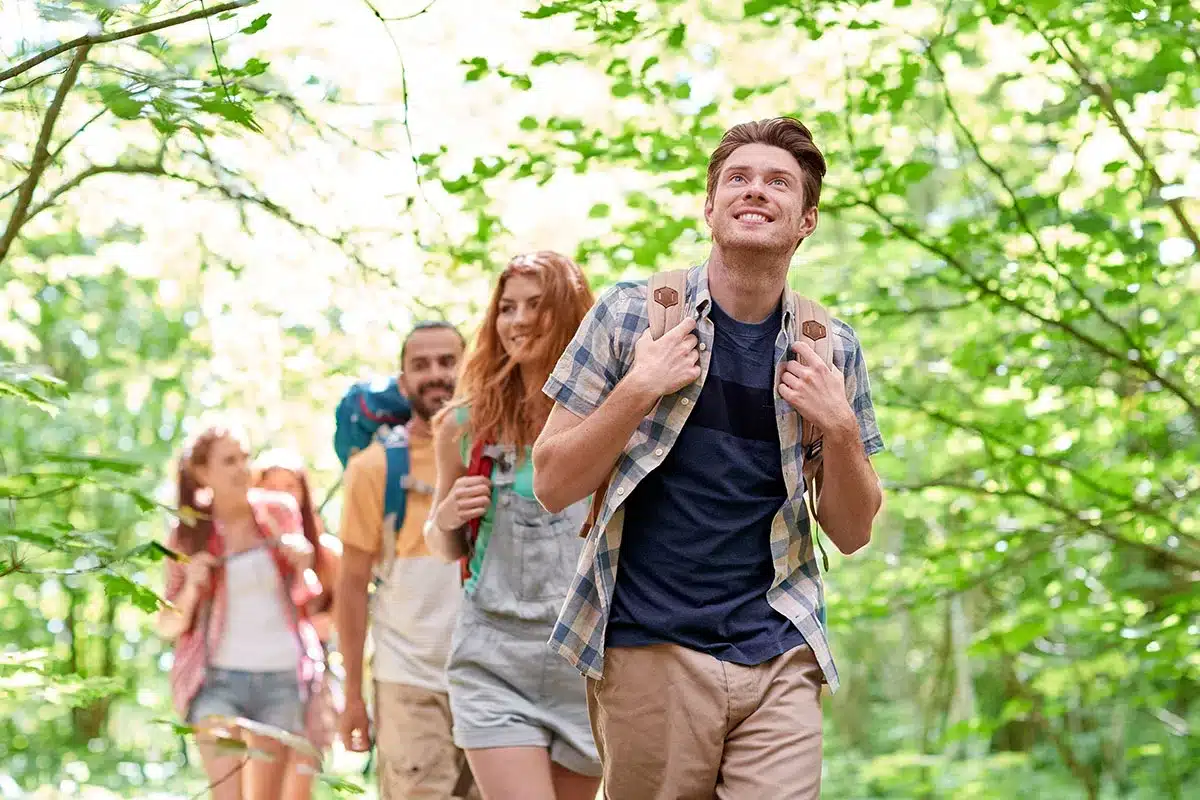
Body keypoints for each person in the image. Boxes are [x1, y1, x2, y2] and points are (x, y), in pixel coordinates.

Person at [532, 117, 886, 799]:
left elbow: (853, 529)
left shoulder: (830, 346)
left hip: (778, 646)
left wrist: (839, 425)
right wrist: (639, 387)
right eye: (739, 179)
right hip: (648, 648)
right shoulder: (630, 315)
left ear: (806, 218)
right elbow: (552, 483)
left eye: (778, 182)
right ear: (709, 207)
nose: (756, 191)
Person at [425, 252, 601, 800]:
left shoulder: (606, 417)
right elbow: (439, 541)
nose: (518, 320)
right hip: (493, 658)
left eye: (536, 306)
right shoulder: (464, 423)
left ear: (570, 316)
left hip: (584, 662)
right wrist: (449, 514)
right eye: (507, 307)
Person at [334, 321, 476, 799]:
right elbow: (351, 587)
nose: (435, 374)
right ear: (402, 381)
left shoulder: (497, 452)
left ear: (470, 367)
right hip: (407, 683)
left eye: (447, 362)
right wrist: (353, 697)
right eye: (420, 365)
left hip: (493, 680)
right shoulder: (373, 468)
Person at [157, 425, 322, 800]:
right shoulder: (187, 534)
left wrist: (302, 563)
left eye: (245, 458)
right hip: (217, 683)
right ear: (202, 473)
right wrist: (191, 588)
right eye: (229, 460)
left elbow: (306, 596)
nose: (242, 468)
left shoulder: (279, 513)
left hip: (281, 677)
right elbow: (167, 624)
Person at [254, 448, 343, 800]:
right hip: (254, 684)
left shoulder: (328, 554)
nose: (281, 495)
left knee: (296, 786)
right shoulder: (242, 555)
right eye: (270, 486)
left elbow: (340, 621)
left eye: (290, 486)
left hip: (311, 686)